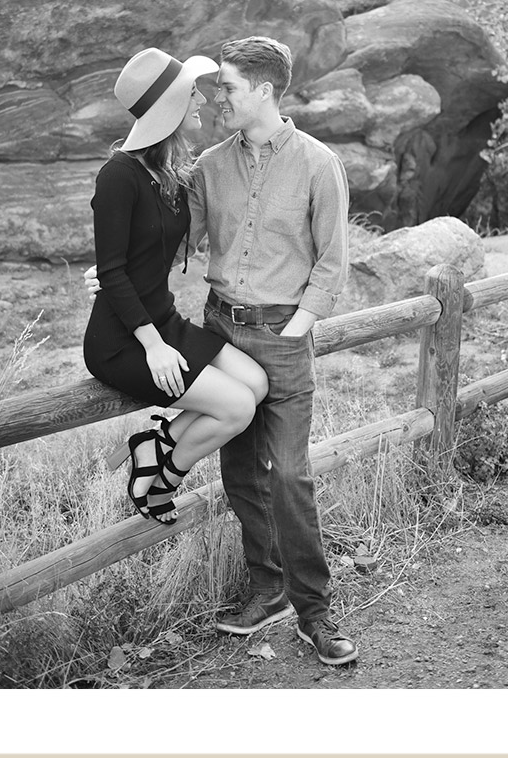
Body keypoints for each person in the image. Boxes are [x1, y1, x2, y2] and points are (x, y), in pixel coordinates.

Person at [192, 35, 356, 666]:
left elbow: (332, 261)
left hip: (283, 337)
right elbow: (181, 241)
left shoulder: (318, 164)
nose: (216, 99)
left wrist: (296, 328)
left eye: (226, 87)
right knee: (239, 472)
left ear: (263, 90)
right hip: (222, 334)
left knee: (288, 474)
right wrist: (115, 271)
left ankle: (315, 612)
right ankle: (268, 589)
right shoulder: (209, 165)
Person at [86, 47, 269, 525]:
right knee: (236, 408)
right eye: (192, 95)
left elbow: (137, 257)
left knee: (257, 382)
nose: (202, 102)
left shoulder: (165, 174)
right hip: (122, 341)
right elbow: (113, 269)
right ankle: (160, 480)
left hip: (161, 319)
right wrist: (152, 346)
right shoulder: (117, 177)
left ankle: (154, 443)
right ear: (168, 106)